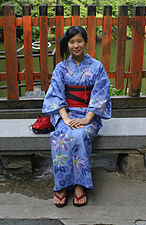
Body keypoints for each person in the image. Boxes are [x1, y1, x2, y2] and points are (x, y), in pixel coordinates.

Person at [42, 25, 111, 207]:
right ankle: (62, 185)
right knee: (61, 136)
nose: (76, 45)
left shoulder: (97, 67)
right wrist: (65, 119)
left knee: (80, 135)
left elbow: (100, 95)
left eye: (79, 41)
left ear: (86, 42)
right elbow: (56, 95)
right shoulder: (61, 68)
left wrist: (87, 119)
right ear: (68, 44)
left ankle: (80, 185)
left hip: (88, 114)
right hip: (66, 114)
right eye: (72, 42)